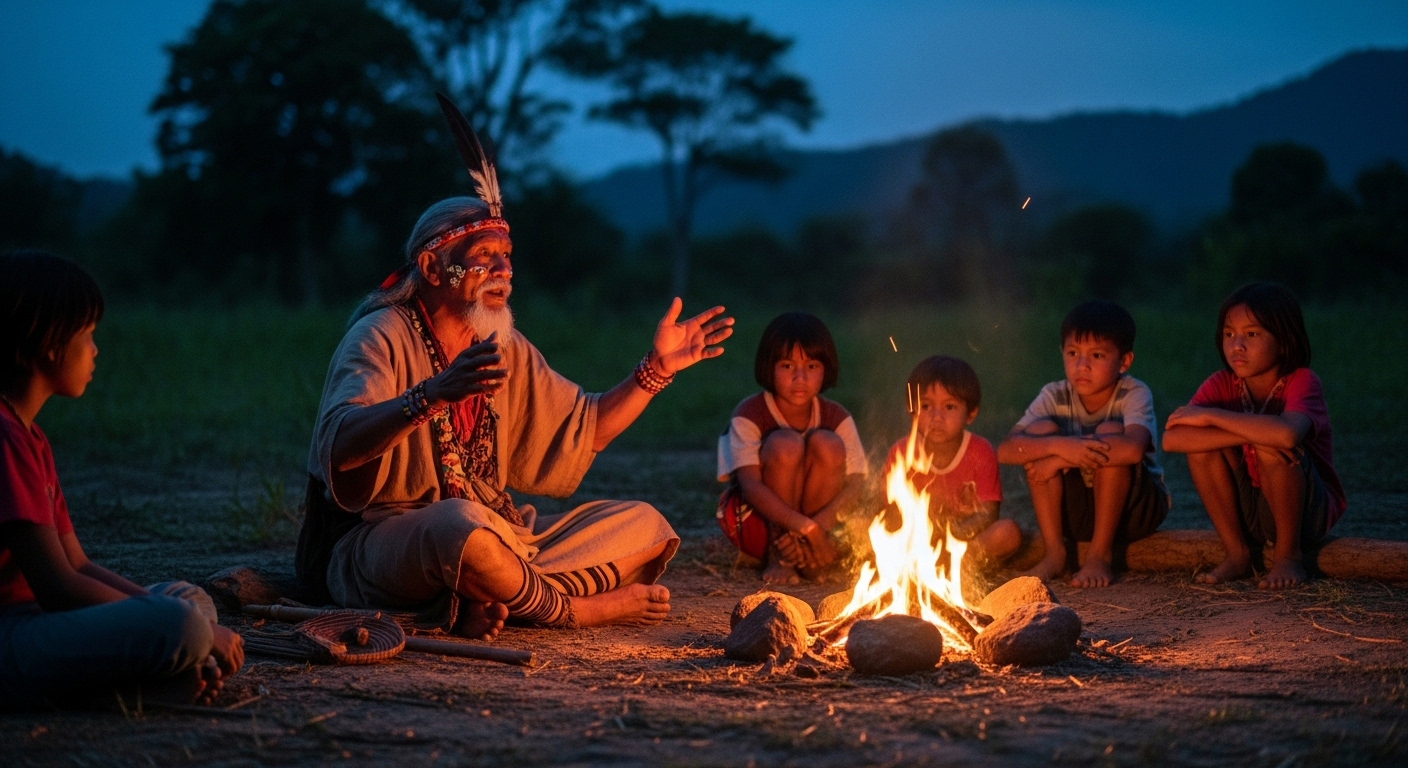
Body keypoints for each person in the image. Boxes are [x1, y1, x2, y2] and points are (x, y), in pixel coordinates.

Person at [295, 196, 734, 637]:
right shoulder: (380, 334)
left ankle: (494, 594)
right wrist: (431, 395)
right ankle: (571, 610)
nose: (503, 270)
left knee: (646, 528)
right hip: (387, 542)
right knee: (457, 530)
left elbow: (585, 428)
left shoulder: (504, 346)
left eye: (505, 256)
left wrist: (656, 370)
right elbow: (341, 445)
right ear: (432, 268)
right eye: (484, 255)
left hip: (500, 532)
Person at [0, 249, 243, 708]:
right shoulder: (5, 437)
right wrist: (189, 626)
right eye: (87, 334)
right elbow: (57, 586)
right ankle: (125, 691)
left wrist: (179, 613)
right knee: (184, 626)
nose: (96, 349)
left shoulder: (30, 437)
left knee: (190, 600)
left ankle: (155, 675)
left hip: (40, 623)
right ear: (49, 343)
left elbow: (78, 563)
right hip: (14, 640)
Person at [1163, 283, 1343, 589]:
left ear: (1284, 342)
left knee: (1271, 445)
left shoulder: (1302, 381)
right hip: (1252, 509)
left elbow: (1286, 435)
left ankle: (1288, 557)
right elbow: (1173, 440)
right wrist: (1238, 435)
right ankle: (1237, 553)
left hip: (1305, 512)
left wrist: (1211, 417)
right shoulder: (1222, 383)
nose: (1237, 345)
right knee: (1201, 449)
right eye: (1229, 334)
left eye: (1252, 334)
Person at [997, 300, 1169, 587]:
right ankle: (1055, 553)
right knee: (1040, 431)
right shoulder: (1054, 394)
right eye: (1073, 353)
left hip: (1133, 511)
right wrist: (1058, 446)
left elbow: (1133, 448)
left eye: (1097, 355)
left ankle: (1099, 555)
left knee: (1112, 431)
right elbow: (1005, 449)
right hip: (1076, 514)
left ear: (1124, 361)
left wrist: (1062, 456)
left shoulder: (1133, 392)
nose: (1082, 365)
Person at [716, 313, 867, 584]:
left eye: (811, 366)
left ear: (826, 368)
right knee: (785, 444)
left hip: (819, 528)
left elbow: (857, 483)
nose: (800, 377)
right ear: (769, 367)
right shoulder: (749, 414)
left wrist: (816, 529)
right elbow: (750, 486)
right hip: (759, 526)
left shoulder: (837, 417)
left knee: (828, 444)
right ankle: (781, 556)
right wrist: (803, 527)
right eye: (787, 366)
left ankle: (807, 553)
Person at [880, 356, 1020, 568]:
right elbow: (889, 512)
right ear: (913, 411)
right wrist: (918, 536)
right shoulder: (902, 453)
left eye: (949, 407)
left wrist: (950, 535)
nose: (937, 417)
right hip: (912, 545)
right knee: (859, 528)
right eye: (926, 406)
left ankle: (954, 569)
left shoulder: (980, 452)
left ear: (971, 413)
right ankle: (919, 569)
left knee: (1007, 533)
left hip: (963, 543)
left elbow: (988, 513)